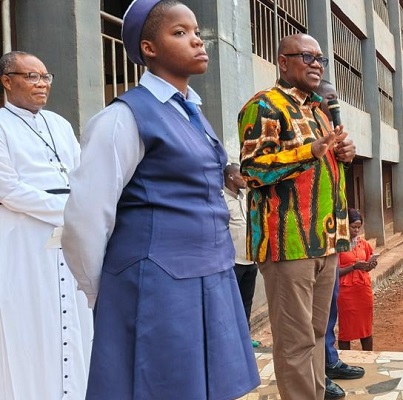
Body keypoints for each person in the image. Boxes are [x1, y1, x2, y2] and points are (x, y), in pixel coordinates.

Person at [63, 1, 260, 398]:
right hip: (155, 286)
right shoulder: (124, 117)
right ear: (149, 48)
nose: (197, 42)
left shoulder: (192, 113)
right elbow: (85, 217)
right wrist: (105, 292)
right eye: (180, 33)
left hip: (209, 276)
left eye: (197, 32)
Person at [237, 31, 355, 399]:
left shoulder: (319, 112)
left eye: (320, 58)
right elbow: (252, 169)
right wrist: (309, 151)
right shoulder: (265, 106)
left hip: (326, 240)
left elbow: (322, 172)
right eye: (307, 57)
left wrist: (343, 153)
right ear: (283, 62)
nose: (316, 64)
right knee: (294, 340)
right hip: (287, 243)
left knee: (318, 334)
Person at [0, 50, 93, 399]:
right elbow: (8, 189)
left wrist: (80, 208)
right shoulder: (1, 125)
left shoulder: (59, 123)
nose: (42, 84)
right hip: (24, 239)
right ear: (7, 81)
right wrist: (69, 209)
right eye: (31, 77)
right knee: (31, 326)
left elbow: (80, 173)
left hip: (67, 239)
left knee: (74, 320)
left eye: (45, 77)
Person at [315, 79, 363, 399]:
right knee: (313, 315)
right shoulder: (306, 133)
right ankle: (316, 373)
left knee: (330, 307)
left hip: (335, 235)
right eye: (329, 98)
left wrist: (345, 155)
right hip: (309, 239)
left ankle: (330, 361)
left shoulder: (336, 135)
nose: (335, 104)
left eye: (336, 99)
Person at [224, 164, 260, 348]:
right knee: (231, 303)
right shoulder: (222, 200)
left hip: (249, 259)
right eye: (241, 175)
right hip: (233, 262)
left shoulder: (245, 199)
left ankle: (245, 338)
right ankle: (231, 341)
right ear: (230, 177)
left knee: (247, 301)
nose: (245, 179)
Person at [337, 208, 376, 352]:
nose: (357, 230)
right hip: (346, 292)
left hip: (363, 290)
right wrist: (353, 267)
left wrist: (370, 265)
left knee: (366, 327)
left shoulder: (363, 244)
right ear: (345, 226)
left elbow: (365, 266)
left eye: (359, 227)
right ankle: (345, 359)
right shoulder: (338, 246)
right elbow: (334, 272)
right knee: (346, 329)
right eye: (354, 227)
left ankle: (368, 356)